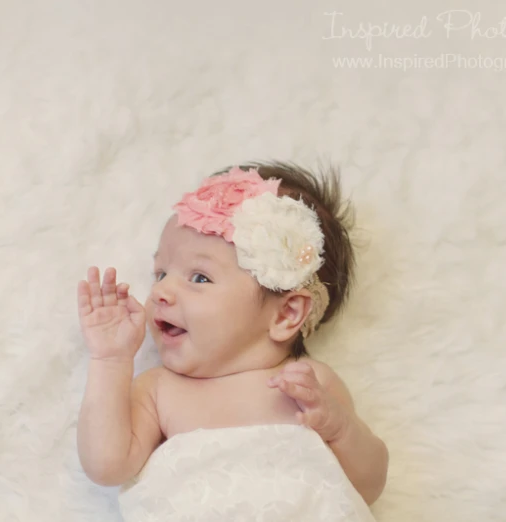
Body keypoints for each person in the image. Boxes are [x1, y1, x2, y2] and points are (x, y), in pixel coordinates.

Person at [77, 162, 389, 521]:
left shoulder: (310, 385)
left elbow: (368, 486)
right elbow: (106, 466)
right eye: (161, 273)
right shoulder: (159, 389)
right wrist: (110, 360)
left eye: (199, 277)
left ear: (286, 315)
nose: (161, 290)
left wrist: (340, 428)